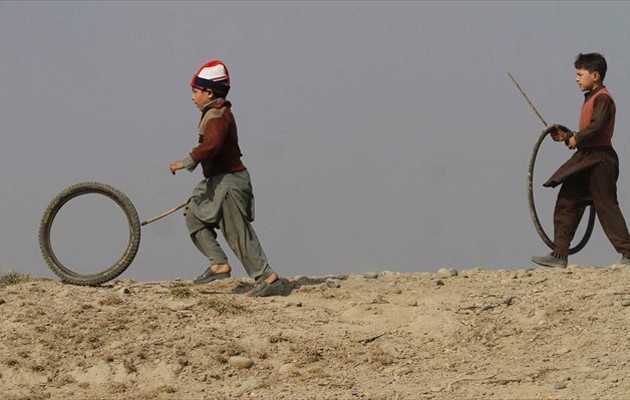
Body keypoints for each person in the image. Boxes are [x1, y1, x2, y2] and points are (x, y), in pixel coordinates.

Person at [169, 59, 281, 297]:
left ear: (209, 92)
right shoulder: (212, 113)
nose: (192, 97)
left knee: (237, 232)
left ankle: (265, 276)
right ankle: (218, 264)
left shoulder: (219, 115)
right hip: (215, 181)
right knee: (193, 214)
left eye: (195, 92)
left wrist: (187, 161)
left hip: (230, 181)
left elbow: (212, 145)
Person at [532, 53, 630, 269]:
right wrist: (568, 136)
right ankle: (560, 254)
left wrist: (577, 138)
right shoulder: (591, 97)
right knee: (567, 200)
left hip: (600, 159)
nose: (577, 79)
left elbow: (596, 128)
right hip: (586, 158)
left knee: (606, 206)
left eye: (580, 74)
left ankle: (629, 253)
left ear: (595, 75)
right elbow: (588, 131)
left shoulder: (603, 98)